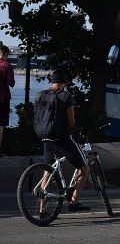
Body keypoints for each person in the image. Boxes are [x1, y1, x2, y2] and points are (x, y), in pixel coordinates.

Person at [35, 70, 90, 212]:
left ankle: (42, 210)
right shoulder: (66, 96)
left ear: (51, 81)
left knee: (47, 171)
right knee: (84, 168)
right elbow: (71, 122)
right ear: (65, 83)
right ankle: (74, 202)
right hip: (62, 138)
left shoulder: (40, 95)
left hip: (45, 137)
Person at [0, 45, 15, 156]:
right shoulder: (7, 66)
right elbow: (12, 83)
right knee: (1, 125)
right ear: (6, 54)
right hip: (3, 98)